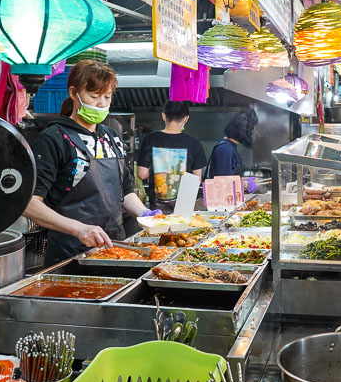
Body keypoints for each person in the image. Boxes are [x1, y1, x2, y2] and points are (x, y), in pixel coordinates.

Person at [23, 61, 152, 265]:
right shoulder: (54, 138)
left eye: (107, 97)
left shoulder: (110, 137)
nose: (101, 103)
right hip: (70, 255)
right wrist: (79, 229)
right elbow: (29, 203)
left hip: (113, 248)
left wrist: (146, 215)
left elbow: (125, 191)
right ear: (74, 93)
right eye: (94, 96)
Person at [137, 100, 207, 213]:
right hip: (184, 209)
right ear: (186, 118)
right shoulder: (194, 143)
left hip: (157, 210)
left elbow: (142, 174)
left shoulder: (150, 139)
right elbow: (197, 179)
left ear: (163, 116)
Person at [206, 107, 258, 178]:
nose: (254, 134)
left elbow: (230, 178)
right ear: (244, 130)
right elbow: (223, 184)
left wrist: (244, 182)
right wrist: (244, 184)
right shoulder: (225, 149)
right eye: (253, 130)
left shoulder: (230, 147)